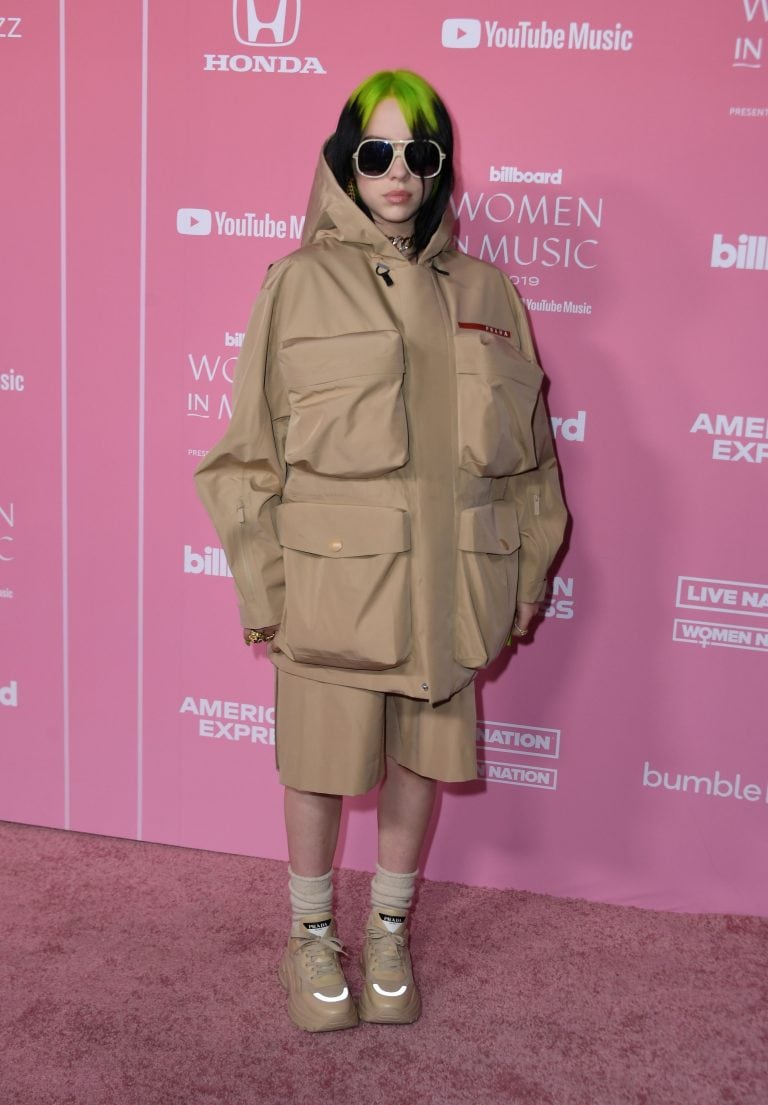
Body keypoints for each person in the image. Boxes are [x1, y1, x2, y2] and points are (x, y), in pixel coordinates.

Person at [194, 69, 567, 1033]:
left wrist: (525, 573)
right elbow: (246, 456)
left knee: (419, 764)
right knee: (318, 767)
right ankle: (311, 934)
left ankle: (390, 925)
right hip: (333, 587)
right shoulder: (297, 282)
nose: (398, 173)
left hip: (450, 583)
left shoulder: (487, 290)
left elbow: (529, 461)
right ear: (345, 163)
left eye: (419, 153)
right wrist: (266, 587)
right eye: (376, 153)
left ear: (441, 168)